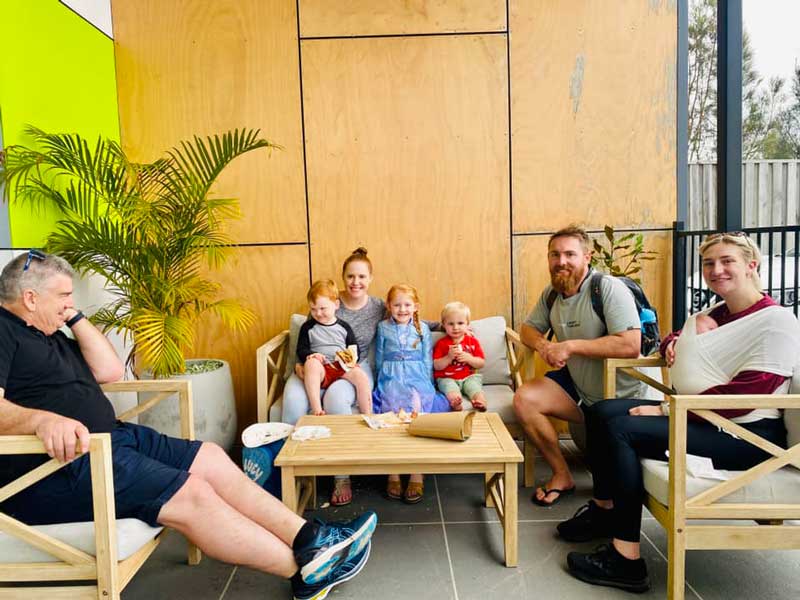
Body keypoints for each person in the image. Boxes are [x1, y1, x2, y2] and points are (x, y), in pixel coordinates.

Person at [0, 251, 377, 600]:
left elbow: (110, 371)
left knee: (210, 457)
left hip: (111, 440)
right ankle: (307, 570)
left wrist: (75, 318)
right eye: (64, 296)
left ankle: (311, 537)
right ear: (30, 299)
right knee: (193, 495)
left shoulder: (51, 333)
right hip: (57, 468)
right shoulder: (3, 330)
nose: (71, 302)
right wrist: (40, 419)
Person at [562, 232, 800, 593]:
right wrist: (676, 341)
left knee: (621, 429)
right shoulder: (717, 313)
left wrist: (665, 409)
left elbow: (752, 391)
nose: (716, 270)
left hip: (747, 437)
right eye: (708, 263)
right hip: (706, 419)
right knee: (601, 411)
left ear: (752, 265)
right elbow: (675, 337)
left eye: (727, 261)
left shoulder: (777, 321)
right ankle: (605, 509)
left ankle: (625, 560)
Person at [512, 225, 645, 507]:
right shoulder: (552, 294)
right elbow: (527, 330)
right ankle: (562, 475)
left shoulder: (607, 288)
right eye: (555, 254)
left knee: (612, 479)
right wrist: (545, 346)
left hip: (621, 396)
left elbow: (630, 345)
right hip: (579, 384)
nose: (561, 261)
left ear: (588, 256)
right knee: (525, 399)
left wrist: (570, 345)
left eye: (570, 254)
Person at [282, 247, 385, 506]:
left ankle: (342, 474)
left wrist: (442, 325)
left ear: (370, 278)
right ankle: (292, 472)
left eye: (361, 276)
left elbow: (405, 314)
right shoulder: (324, 300)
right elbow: (306, 339)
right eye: (350, 276)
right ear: (343, 277)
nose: (356, 282)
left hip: (349, 367)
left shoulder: (377, 306)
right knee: (294, 398)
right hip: (315, 365)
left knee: (337, 400)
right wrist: (300, 364)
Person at [373, 284, 449, 504]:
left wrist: (428, 382)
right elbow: (379, 356)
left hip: (417, 375)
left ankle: (417, 471)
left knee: (418, 408)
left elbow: (427, 357)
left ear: (416, 307)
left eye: (407, 305)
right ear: (389, 306)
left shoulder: (422, 328)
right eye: (397, 305)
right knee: (391, 410)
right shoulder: (382, 327)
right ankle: (393, 471)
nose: (402, 309)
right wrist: (380, 380)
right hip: (391, 376)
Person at [297, 279, 372, 417]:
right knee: (311, 364)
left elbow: (354, 347)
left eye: (322, 308)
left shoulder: (344, 327)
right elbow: (301, 349)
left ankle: (367, 413)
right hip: (321, 368)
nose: (318, 313)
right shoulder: (308, 327)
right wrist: (312, 355)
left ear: (336, 304)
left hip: (341, 366)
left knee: (362, 377)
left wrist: (350, 357)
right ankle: (317, 410)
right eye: (313, 309)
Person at [432, 301, 487, 411]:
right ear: (443, 325)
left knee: (475, 387)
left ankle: (480, 401)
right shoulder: (441, 344)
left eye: (460, 323)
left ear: (467, 324)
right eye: (451, 324)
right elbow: (436, 366)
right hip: (448, 378)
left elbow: (481, 363)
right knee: (449, 388)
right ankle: (455, 402)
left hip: (468, 377)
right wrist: (448, 357)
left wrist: (469, 358)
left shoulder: (472, 342)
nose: (455, 327)